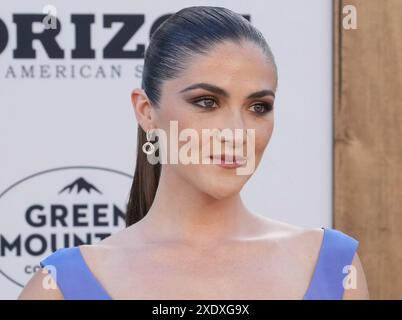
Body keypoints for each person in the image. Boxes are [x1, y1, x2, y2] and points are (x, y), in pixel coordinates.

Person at [18, 5, 369, 300]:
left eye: (258, 107)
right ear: (146, 111)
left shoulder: (335, 267)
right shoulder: (59, 287)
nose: (237, 133)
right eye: (206, 102)